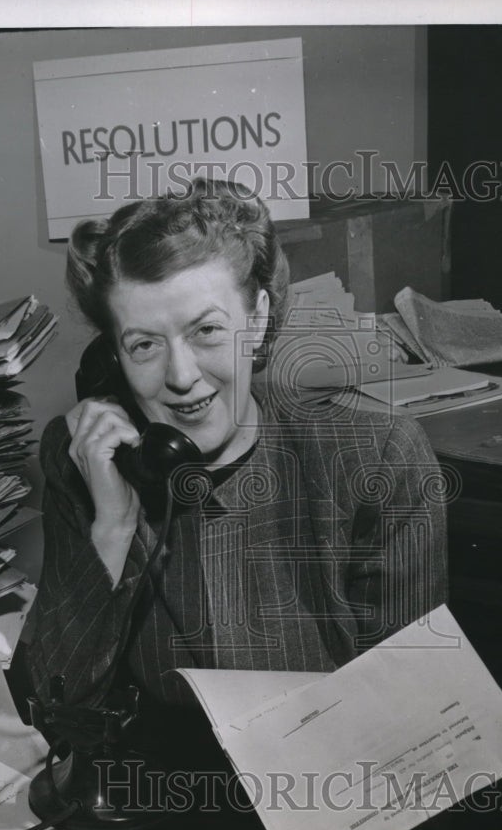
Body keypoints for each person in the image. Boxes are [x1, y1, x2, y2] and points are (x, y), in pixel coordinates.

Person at [23, 178, 447, 715]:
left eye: (206, 331)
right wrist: (112, 526)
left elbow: (410, 715)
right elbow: (55, 701)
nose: (181, 376)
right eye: (145, 344)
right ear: (114, 355)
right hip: (164, 786)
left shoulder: (376, 456)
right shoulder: (85, 455)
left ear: (258, 317)